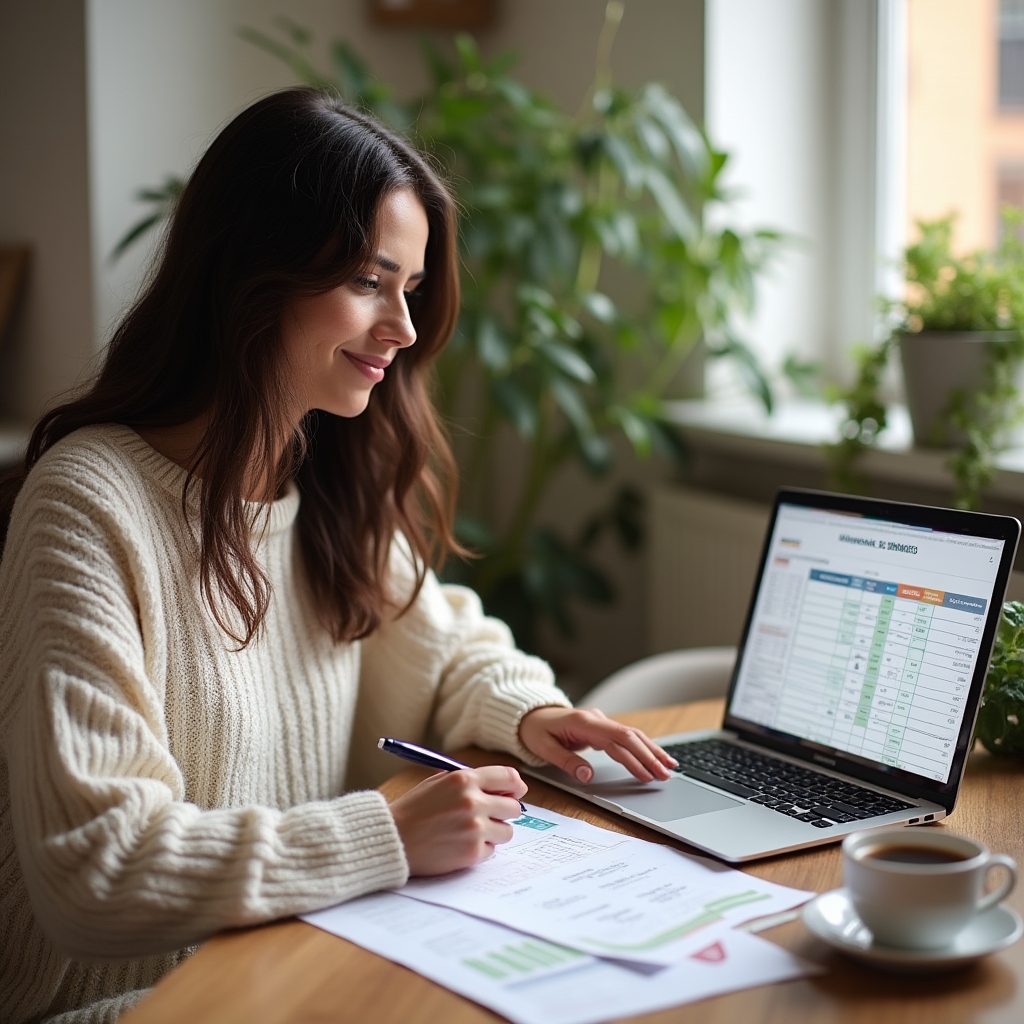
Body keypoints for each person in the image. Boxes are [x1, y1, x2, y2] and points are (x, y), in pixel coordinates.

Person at [0, 88, 676, 1024]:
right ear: (250, 274)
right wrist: (385, 833)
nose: (402, 329)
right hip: (131, 1001)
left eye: (411, 289)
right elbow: (97, 867)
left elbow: (445, 646)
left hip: (296, 962)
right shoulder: (90, 501)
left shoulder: (318, 479)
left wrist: (534, 713)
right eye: (368, 281)